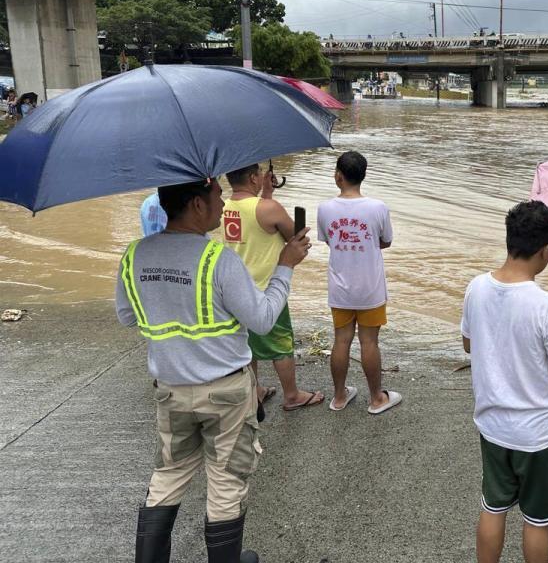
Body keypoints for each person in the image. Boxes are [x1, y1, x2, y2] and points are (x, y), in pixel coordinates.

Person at [116, 178, 311, 563]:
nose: (223, 203)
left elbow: (127, 316)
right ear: (196, 205)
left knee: (168, 476)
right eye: (216, 196)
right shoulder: (217, 259)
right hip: (225, 393)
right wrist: (285, 266)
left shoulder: (134, 254)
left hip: (171, 389)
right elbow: (262, 320)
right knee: (225, 483)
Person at [461, 201, 548, 563]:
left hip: (493, 425)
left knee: (493, 508)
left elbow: (469, 343)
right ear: (546, 250)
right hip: (539, 434)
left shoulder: (476, 287)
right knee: (537, 521)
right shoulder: (546, 307)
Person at [223, 162, 324, 411]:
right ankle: (292, 395)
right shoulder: (269, 208)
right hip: (267, 288)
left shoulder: (223, 206)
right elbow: (296, 237)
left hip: (235, 288)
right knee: (280, 342)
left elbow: (255, 225)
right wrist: (269, 199)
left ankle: (254, 391)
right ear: (253, 177)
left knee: (248, 343)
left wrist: (267, 193)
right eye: (258, 175)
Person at [316, 151, 401, 414]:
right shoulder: (378, 207)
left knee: (341, 341)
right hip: (370, 288)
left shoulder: (325, 208)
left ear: (338, 176)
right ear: (363, 176)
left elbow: (329, 240)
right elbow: (385, 241)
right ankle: (376, 398)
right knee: (369, 343)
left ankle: (339, 397)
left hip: (340, 287)